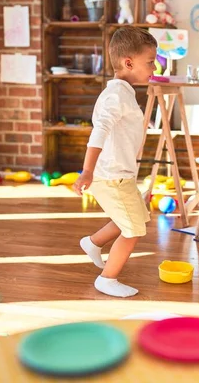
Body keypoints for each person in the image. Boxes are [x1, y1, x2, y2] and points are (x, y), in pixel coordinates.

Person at [72, 26, 157, 297]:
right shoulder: (116, 95)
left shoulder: (124, 92)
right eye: (151, 62)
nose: (154, 68)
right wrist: (87, 171)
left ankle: (93, 243)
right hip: (111, 177)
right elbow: (99, 130)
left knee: (136, 218)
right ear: (128, 63)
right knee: (132, 230)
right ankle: (107, 278)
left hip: (121, 174)